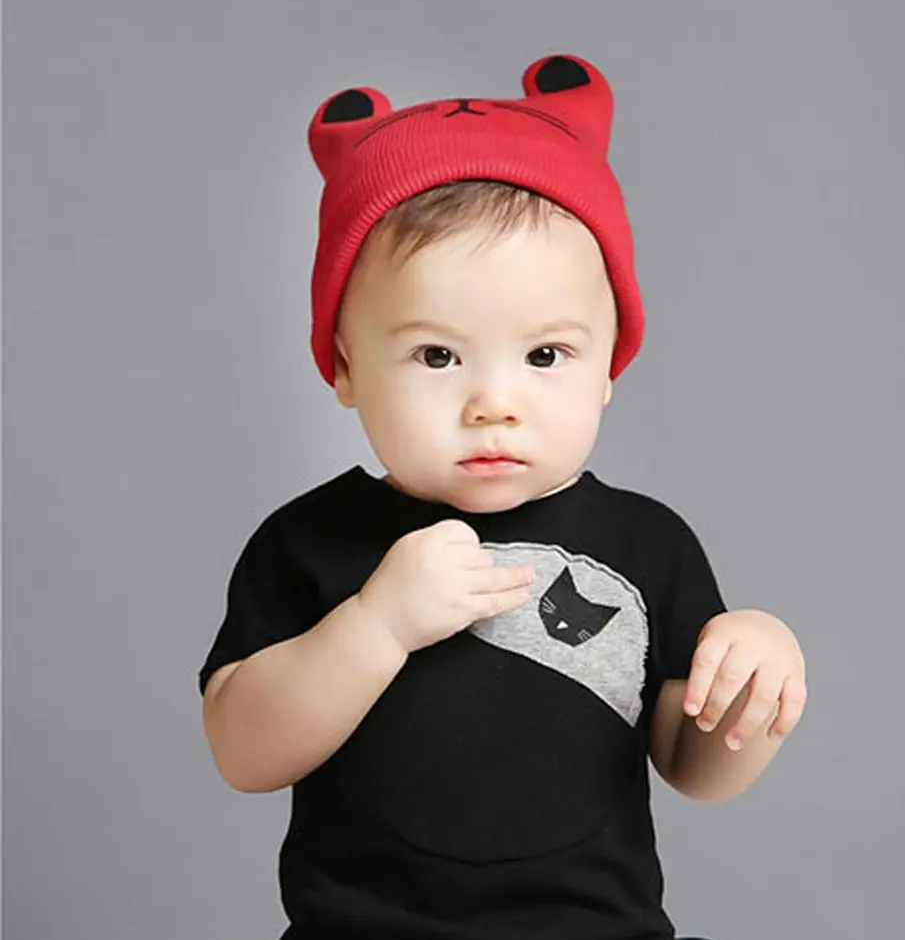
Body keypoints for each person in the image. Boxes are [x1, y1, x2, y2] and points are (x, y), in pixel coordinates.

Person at [198, 54, 807, 940]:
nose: (494, 402)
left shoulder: (647, 543)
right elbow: (243, 753)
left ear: (609, 365)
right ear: (345, 366)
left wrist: (756, 685)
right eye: (437, 356)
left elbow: (695, 769)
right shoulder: (312, 541)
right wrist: (376, 624)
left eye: (545, 355)